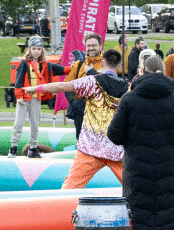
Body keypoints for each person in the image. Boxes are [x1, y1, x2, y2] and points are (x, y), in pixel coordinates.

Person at [105, 54, 174, 230]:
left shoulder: (129, 99)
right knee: (165, 209)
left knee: (137, 210)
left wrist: (133, 140)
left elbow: (114, 134)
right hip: (168, 165)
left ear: (141, 71)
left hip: (136, 166)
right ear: (164, 71)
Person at [30, 48, 127, 188]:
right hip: (117, 150)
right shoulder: (128, 88)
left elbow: (60, 86)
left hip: (90, 149)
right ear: (119, 65)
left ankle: (59, 208)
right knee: (135, 188)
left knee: (69, 189)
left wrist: (36, 88)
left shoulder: (92, 82)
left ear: (102, 62)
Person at [9, 36, 64, 157]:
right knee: (19, 123)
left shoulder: (45, 65)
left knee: (35, 123)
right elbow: (18, 81)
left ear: (42, 50)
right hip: (24, 98)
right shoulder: (24, 63)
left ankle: (32, 148)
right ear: (29, 49)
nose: (36, 51)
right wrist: (19, 96)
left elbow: (62, 70)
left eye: (39, 49)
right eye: (34, 48)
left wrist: (73, 68)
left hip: (36, 98)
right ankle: (13, 147)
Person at [61, 33, 104, 139]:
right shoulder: (78, 64)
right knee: (81, 142)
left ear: (100, 46)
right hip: (80, 112)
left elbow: (108, 85)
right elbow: (67, 86)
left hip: (100, 112)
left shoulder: (106, 64)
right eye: (88, 46)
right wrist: (75, 102)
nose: (91, 48)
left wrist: (92, 72)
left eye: (94, 45)